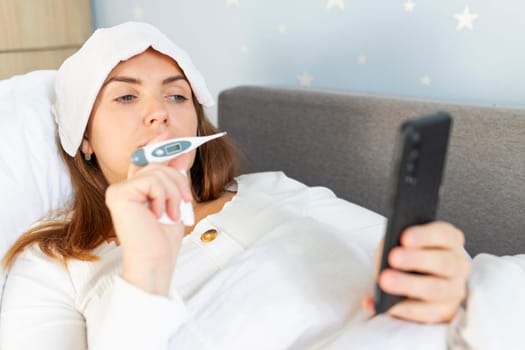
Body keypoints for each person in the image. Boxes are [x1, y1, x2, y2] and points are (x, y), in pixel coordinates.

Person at [0, 22, 471, 349]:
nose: (159, 111)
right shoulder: (51, 266)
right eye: (126, 96)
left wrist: (438, 276)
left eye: (176, 94)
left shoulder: (274, 190)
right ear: (84, 138)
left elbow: (423, 270)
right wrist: (146, 272)